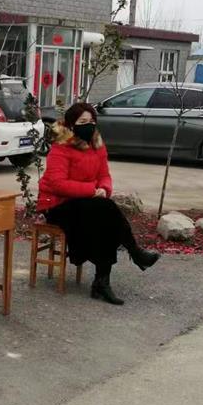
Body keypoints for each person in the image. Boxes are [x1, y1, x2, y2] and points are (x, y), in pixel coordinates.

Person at [37, 102, 160, 305]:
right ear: (71, 125)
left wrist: (103, 188)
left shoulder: (97, 145)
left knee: (104, 216)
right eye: (82, 122)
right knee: (105, 209)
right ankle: (132, 255)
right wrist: (92, 190)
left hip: (88, 203)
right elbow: (57, 184)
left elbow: (105, 175)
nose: (89, 125)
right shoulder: (61, 147)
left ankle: (103, 281)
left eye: (91, 121)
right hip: (58, 204)